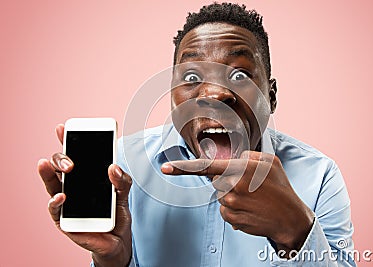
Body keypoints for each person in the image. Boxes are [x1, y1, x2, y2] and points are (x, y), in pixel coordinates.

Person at [38, 3, 355, 266]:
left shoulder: (318, 175)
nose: (217, 93)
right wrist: (113, 260)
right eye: (191, 76)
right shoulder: (122, 166)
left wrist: (296, 232)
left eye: (240, 74)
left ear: (270, 96)